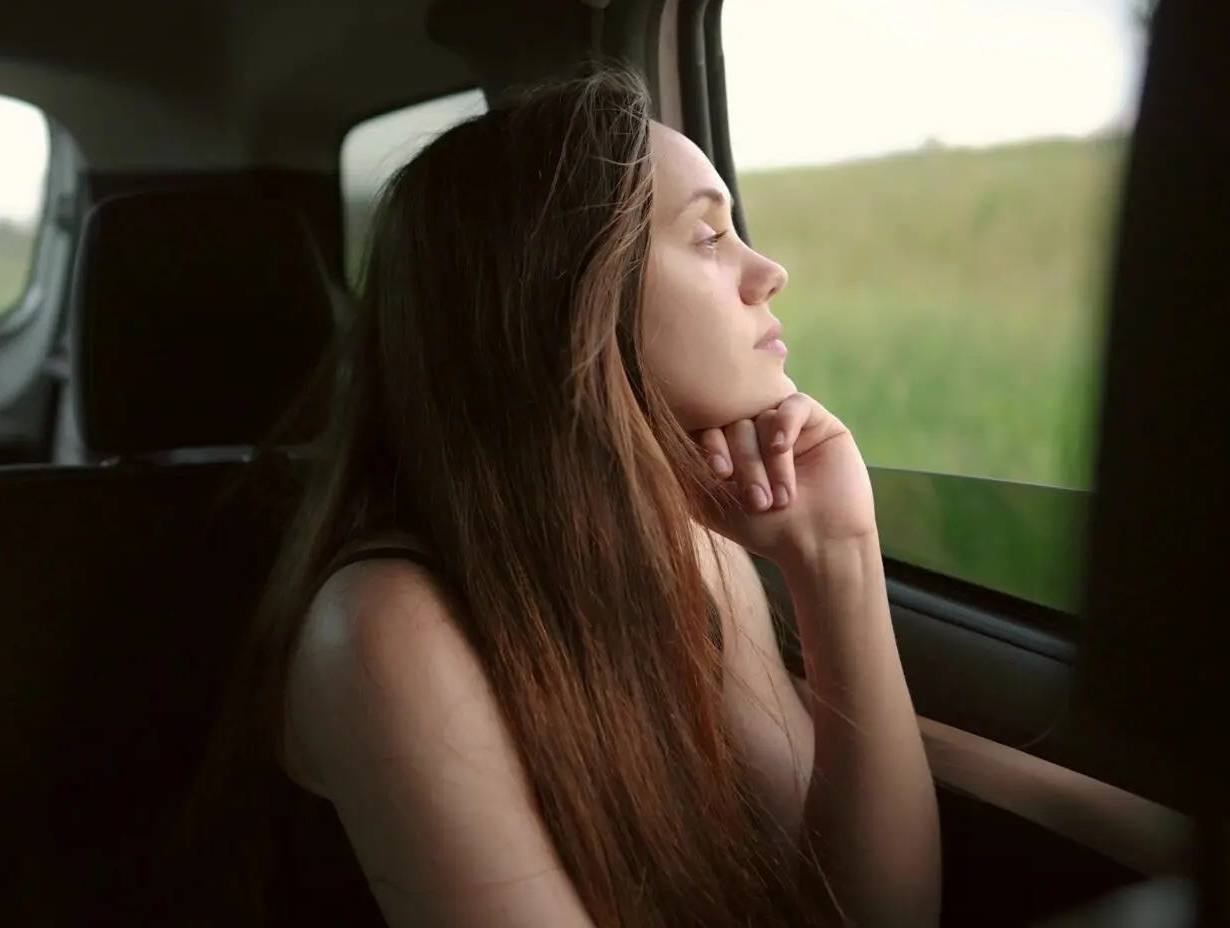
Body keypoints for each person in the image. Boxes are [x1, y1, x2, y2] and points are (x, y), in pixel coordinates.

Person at [183, 68, 939, 928]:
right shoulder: (387, 626)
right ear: (563, 301)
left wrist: (839, 553)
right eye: (707, 237)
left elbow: (864, 914)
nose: (768, 271)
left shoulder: (705, 545)